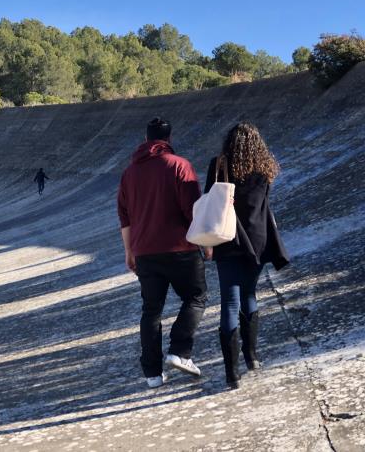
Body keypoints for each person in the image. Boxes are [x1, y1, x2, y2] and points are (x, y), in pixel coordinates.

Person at [117, 117, 208, 389]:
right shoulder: (180, 166)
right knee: (196, 297)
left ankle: (152, 375)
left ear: (146, 140)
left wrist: (129, 251)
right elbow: (193, 210)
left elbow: (125, 217)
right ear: (168, 139)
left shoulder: (129, 173)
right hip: (180, 248)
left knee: (151, 310)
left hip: (144, 251)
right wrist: (206, 243)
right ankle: (180, 352)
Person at [204, 123, 289, 389]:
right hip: (257, 241)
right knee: (249, 296)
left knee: (229, 302)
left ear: (229, 142)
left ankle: (232, 374)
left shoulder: (218, 166)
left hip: (227, 239)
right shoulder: (264, 170)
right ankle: (252, 358)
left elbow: (208, 201)